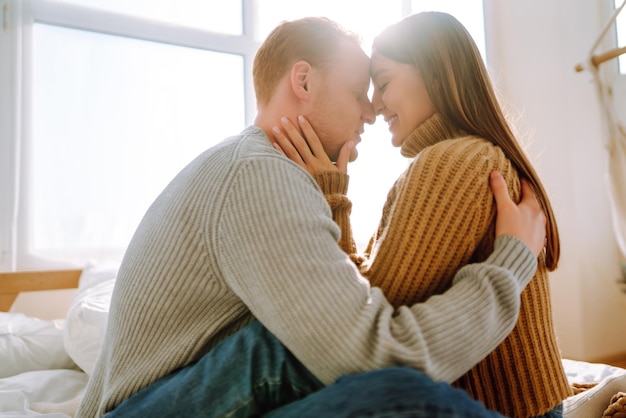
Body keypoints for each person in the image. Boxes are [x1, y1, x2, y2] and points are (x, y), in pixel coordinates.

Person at [76, 17, 546, 417]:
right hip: (148, 407)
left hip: (166, 397)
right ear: (303, 82)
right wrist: (508, 267)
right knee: (322, 364)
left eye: (378, 90)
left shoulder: (251, 166)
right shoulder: (257, 176)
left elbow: (348, 309)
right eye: (360, 91)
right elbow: (375, 353)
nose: (370, 111)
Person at [273, 12, 570, 418]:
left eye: (385, 83)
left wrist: (332, 199)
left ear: (435, 75)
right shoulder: (469, 155)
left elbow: (366, 320)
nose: (374, 107)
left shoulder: (455, 161)